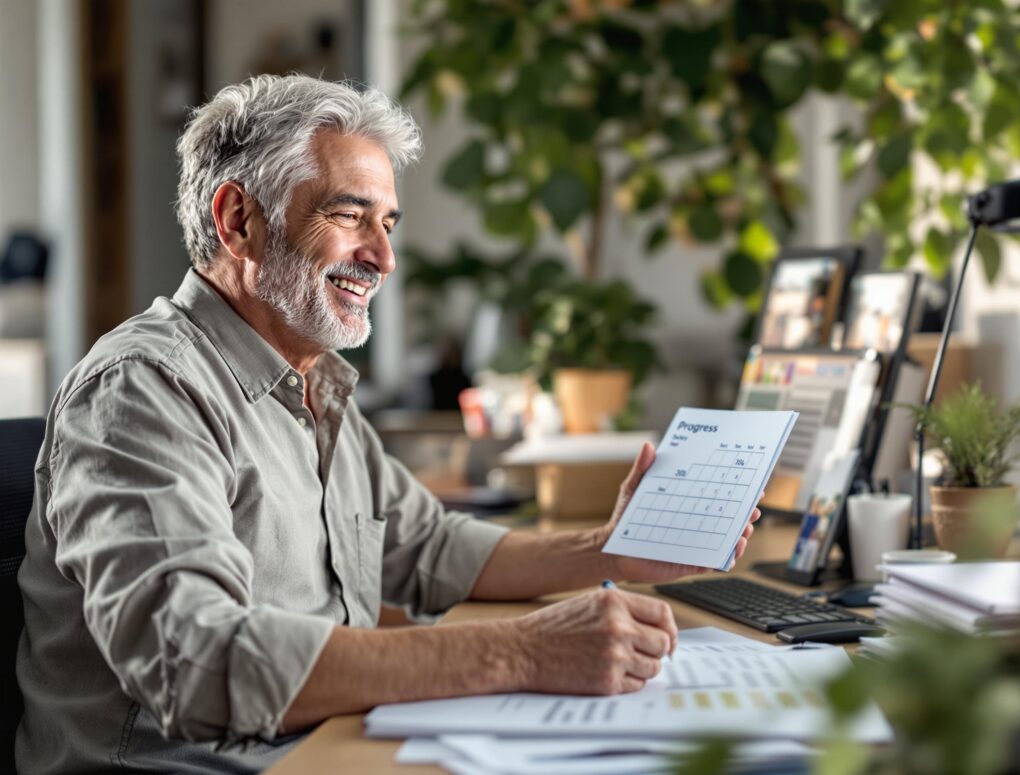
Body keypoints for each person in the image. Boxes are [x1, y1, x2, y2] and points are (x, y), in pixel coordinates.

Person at [16, 74, 760, 773]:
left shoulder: (312, 381)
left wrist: (611, 549)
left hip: (326, 747)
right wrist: (523, 651)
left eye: (388, 223)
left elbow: (430, 545)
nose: (383, 256)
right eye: (348, 215)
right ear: (238, 220)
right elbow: (198, 662)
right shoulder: (142, 390)